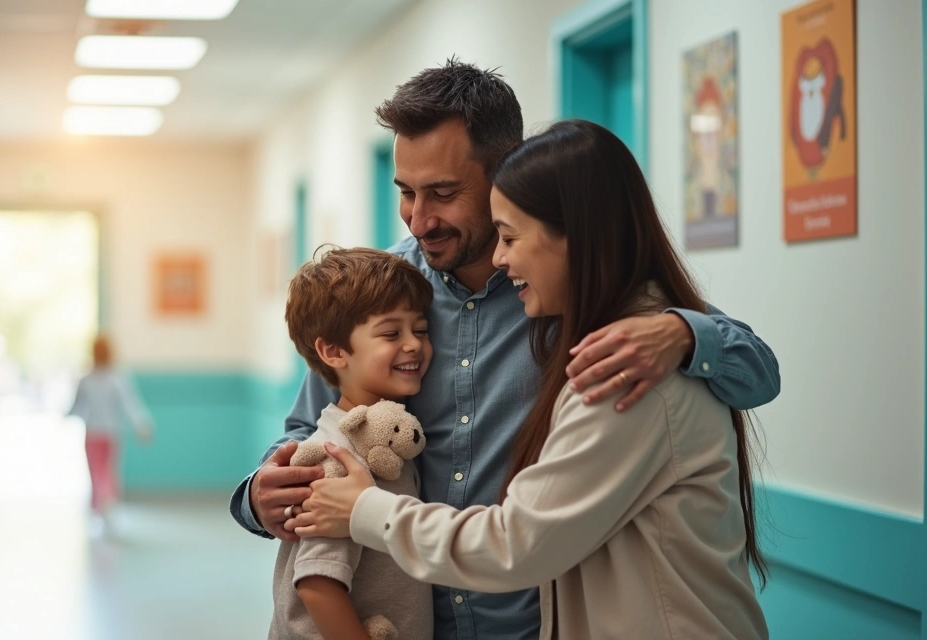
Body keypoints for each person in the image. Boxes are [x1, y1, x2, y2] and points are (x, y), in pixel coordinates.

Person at [230, 59, 780, 639]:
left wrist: (688, 333)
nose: (419, 220)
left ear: (503, 174)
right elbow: (311, 431)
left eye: (442, 193)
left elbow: (758, 373)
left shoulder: (589, 310)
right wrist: (259, 497)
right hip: (421, 623)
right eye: (406, 193)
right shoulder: (383, 294)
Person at [270, 247, 434, 640]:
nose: (413, 344)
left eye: (422, 330)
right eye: (391, 333)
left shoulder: (387, 434)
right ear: (333, 351)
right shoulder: (339, 456)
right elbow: (316, 583)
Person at [68, 335, 153, 525]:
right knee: (107, 470)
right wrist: (142, 425)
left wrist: (64, 416)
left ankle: (101, 504)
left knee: (97, 471)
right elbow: (131, 405)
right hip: (110, 433)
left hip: (93, 433)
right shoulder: (116, 378)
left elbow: (76, 407)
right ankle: (106, 503)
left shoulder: (87, 380)